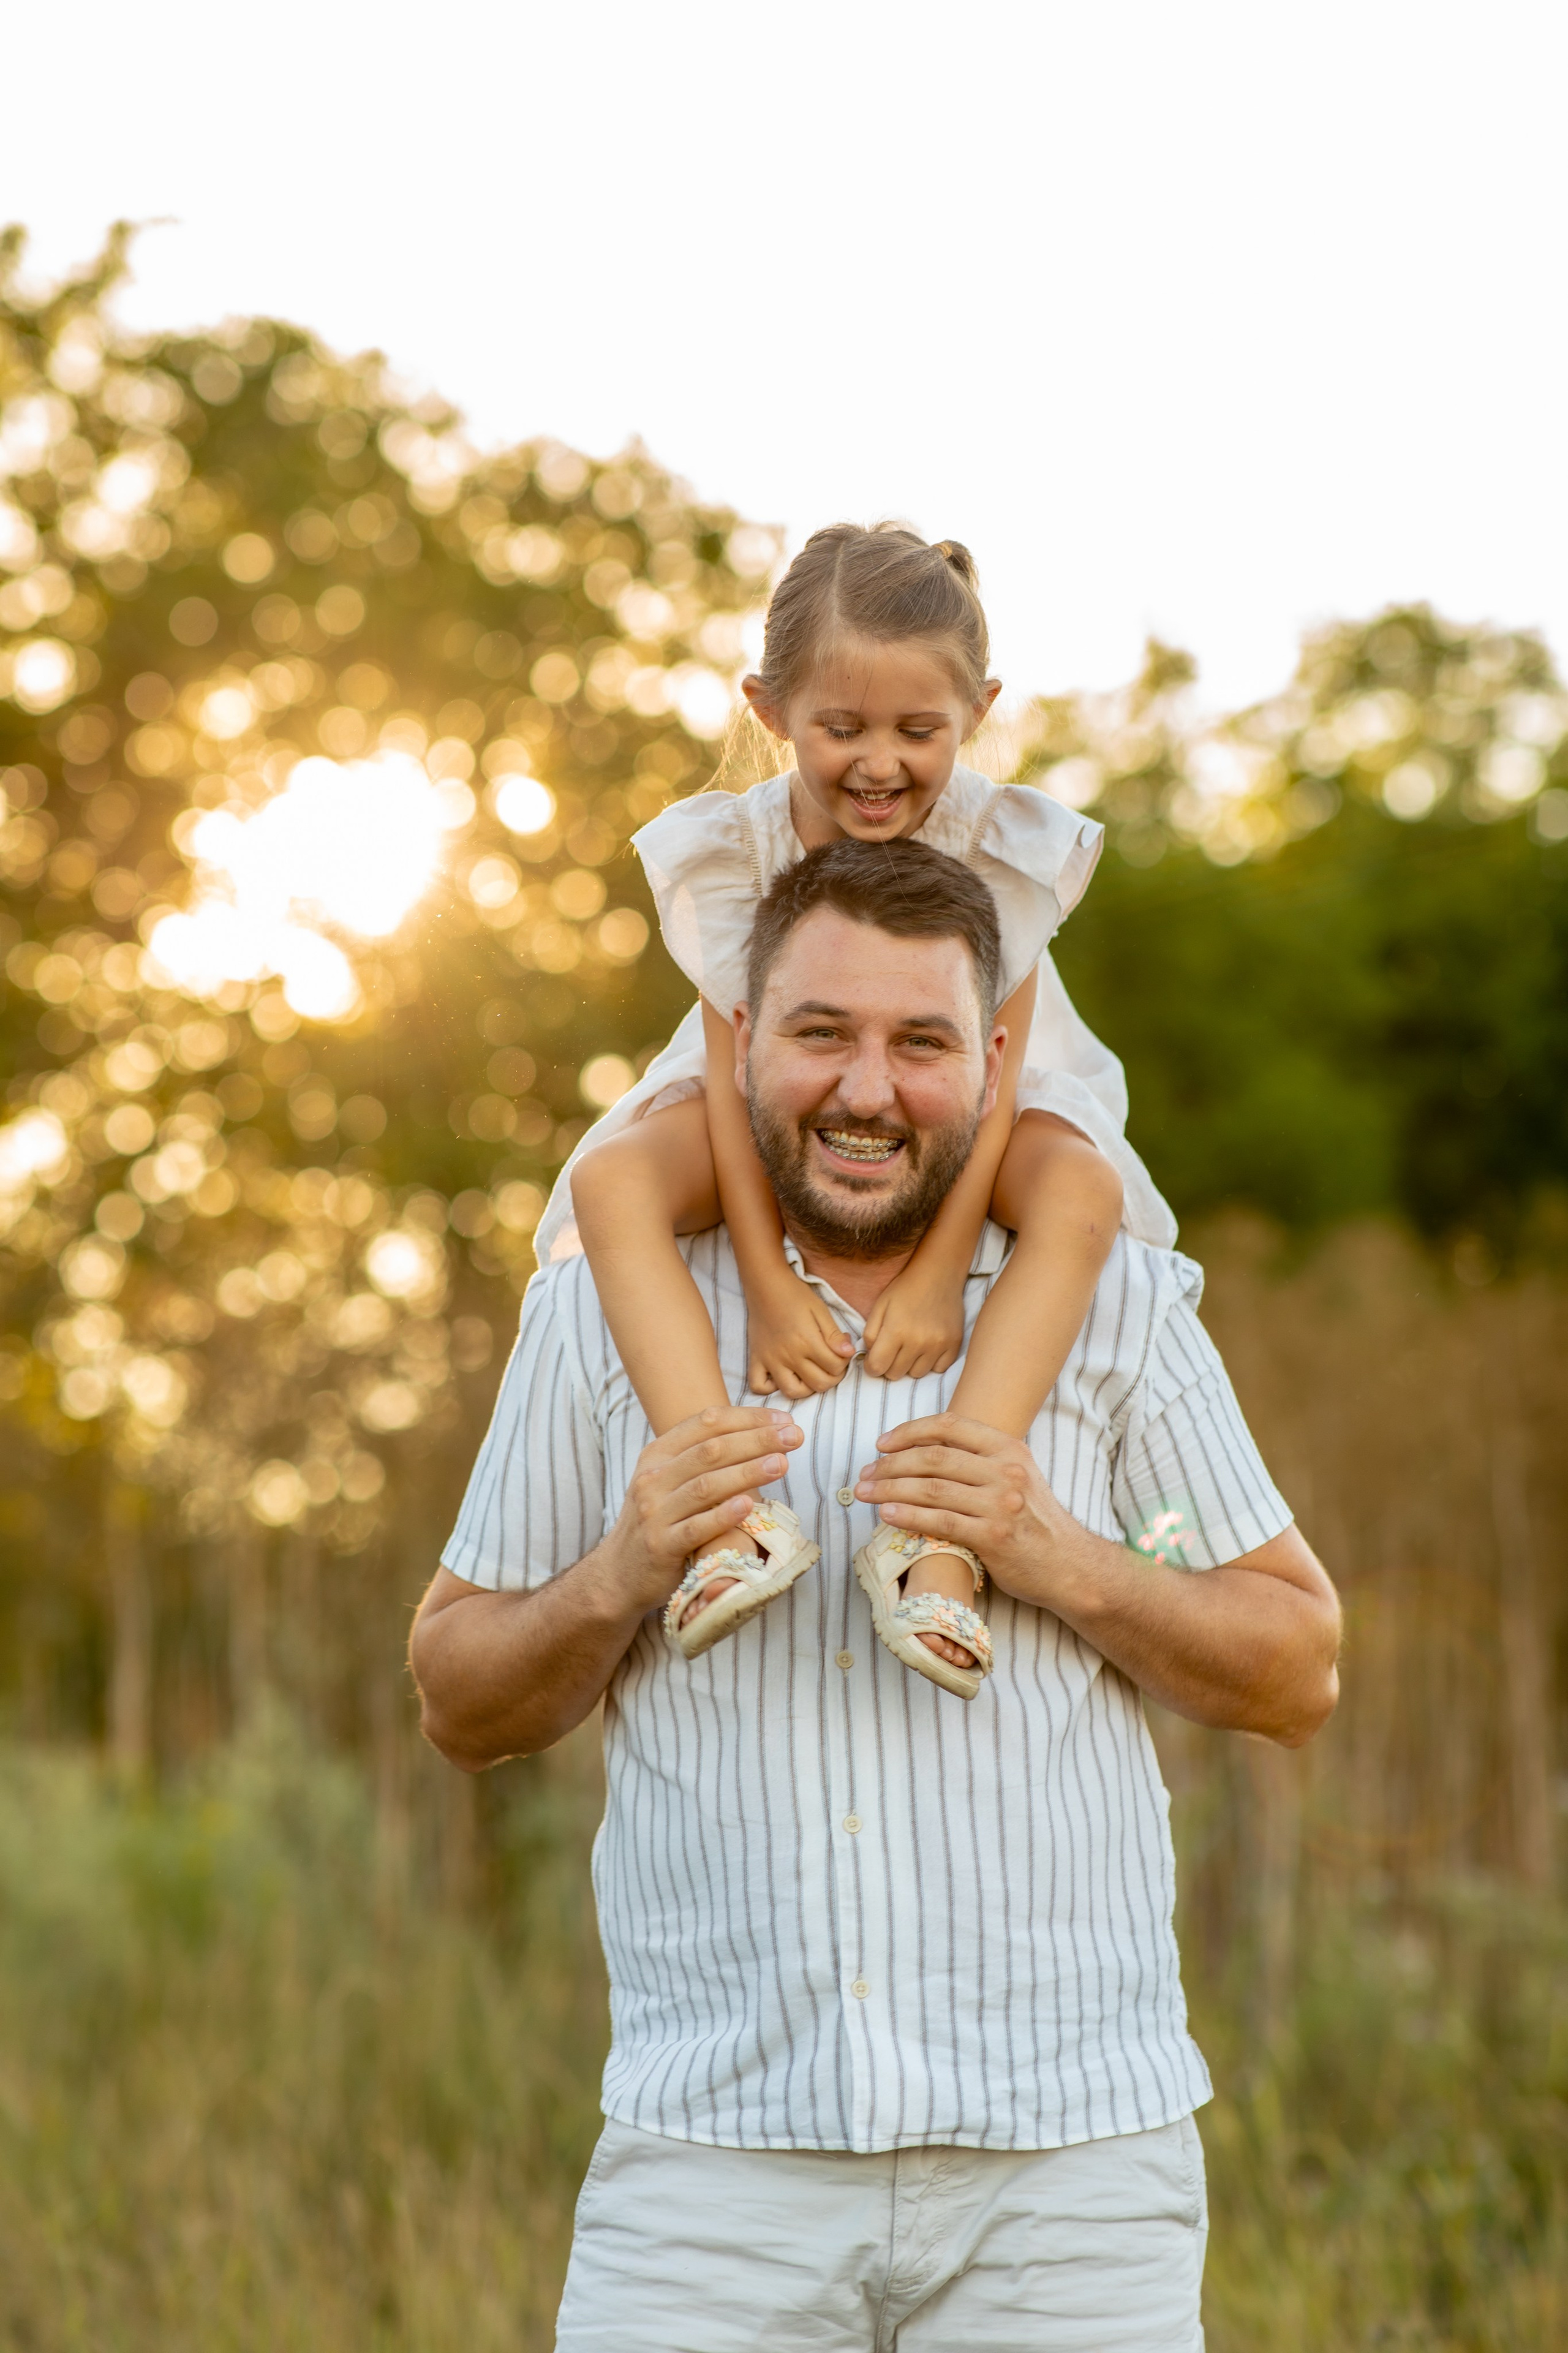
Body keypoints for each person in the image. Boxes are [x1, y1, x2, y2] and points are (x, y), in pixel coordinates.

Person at [412, 836, 1341, 2352]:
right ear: (739, 1041)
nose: (864, 1088)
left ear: (989, 1061)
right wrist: (623, 1570)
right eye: (819, 1033)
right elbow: (457, 1696)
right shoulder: (598, 1312)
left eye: (917, 1042)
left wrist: (1060, 1555)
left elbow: (1293, 1665)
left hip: (1066, 2190)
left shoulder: (1108, 1307)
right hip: (707, 2189)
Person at [554, 522, 1170, 1694]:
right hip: (773, 1095)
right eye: (842, 728)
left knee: (1081, 1187)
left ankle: (940, 1543)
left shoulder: (1001, 848)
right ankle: (725, 1522)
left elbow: (994, 1084)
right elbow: (741, 1077)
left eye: (917, 731)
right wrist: (768, 1279)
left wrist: (942, 1272)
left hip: (971, 1094)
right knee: (612, 1179)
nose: (879, 763)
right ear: (772, 708)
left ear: (978, 712)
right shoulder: (736, 854)